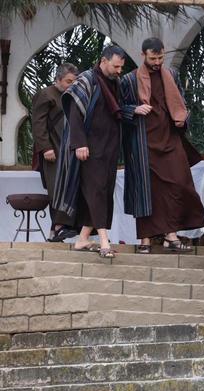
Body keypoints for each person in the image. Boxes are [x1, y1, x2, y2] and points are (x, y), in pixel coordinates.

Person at [120, 37, 204, 253]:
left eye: (160, 57)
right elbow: (117, 109)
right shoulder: (129, 80)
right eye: (153, 58)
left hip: (170, 139)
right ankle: (146, 240)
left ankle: (171, 235)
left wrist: (182, 118)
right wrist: (133, 110)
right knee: (147, 192)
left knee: (179, 183)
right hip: (143, 144)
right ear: (143, 55)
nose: (157, 62)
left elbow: (182, 103)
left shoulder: (172, 75)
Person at [53, 45, 125, 258]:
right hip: (90, 147)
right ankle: (104, 241)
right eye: (115, 66)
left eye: (121, 67)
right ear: (103, 61)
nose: (119, 70)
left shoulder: (116, 82)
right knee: (96, 191)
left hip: (110, 147)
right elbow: (74, 112)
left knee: (102, 191)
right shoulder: (86, 80)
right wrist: (79, 143)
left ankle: (82, 239)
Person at [31, 63, 79, 242]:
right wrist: (45, 147)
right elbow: (38, 124)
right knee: (56, 188)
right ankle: (59, 226)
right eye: (68, 81)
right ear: (58, 79)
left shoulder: (72, 95)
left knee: (68, 187)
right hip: (53, 151)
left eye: (74, 82)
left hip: (69, 152)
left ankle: (55, 232)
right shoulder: (46, 94)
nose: (71, 85)